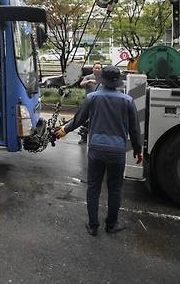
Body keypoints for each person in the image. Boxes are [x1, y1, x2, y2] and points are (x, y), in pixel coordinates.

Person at [54, 66, 143, 236]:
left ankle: (93, 226)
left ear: (101, 80)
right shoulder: (127, 100)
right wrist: (138, 150)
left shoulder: (92, 98)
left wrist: (64, 130)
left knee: (93, 187)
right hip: (117, 151)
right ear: (118, 82)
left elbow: (79, 119)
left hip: (96, 149)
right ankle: (111, 225)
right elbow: (134, 129)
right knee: (115, 189)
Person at [77, 62, 103, 144]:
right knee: (85, 120)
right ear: (93, 69)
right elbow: (81, 84)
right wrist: (89, 81)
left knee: (99, 121)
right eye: (96, 68)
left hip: (100, 103)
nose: (97, 69)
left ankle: (98, 139)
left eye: (99, 68)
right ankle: (84, 138)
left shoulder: (103, 78)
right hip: (89, 102)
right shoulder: (88, 77)